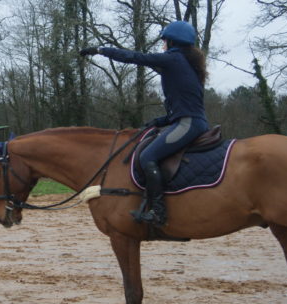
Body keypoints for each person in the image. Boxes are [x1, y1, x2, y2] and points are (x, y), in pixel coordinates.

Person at [79, 20, 209, 228]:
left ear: (171, 41)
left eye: (164, 40)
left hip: (188, 124)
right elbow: (183, 108)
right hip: (189, 121)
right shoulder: (184, 64)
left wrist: (101, 49)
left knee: (148, 156)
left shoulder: (174, 59)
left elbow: (135, 57)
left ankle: (158, 212)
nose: (162, 45)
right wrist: (156, 122)